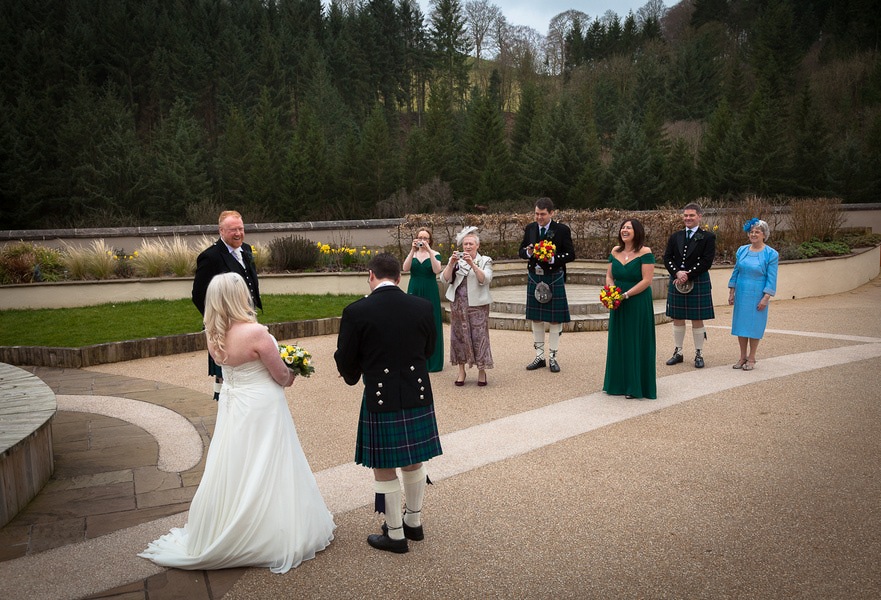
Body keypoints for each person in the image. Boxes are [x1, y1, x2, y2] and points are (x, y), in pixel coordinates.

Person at [140, 272, 334, 572]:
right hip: (262, 406)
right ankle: (268, 533)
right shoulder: (255, 332)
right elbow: (281, 376)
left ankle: (227, 523)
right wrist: (293, 370)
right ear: (240, 296)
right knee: (268, 462)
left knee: (235, 462)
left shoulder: (212, 333)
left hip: (232, 404)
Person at [334, 253, 442, 554]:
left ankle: (395, 535)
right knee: (413, 460)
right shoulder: (422, 306)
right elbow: (429, 349)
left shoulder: (357, 311)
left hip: (381, 398)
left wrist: (352, 373)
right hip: (417, 393)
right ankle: (413, 523)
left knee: (383, 466)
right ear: (398, 277)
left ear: (371, 275)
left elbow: (346, 358)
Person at [192, 210, 262, 399]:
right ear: (221, 231)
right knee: (227, 371)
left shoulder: (246, 249)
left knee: (248, 366)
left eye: (241, 228)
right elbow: (198, 295)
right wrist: (217, 320)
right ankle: (225, 403)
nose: (238, 233)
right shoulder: (211, 257)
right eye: (233, 230)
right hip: (225, 324)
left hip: (248, 318)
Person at [518, 197, 576, 372]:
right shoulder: (530, 228)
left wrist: (552, 258)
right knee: (536, 318)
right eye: (536, 214)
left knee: (554, 319)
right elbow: (521, 251)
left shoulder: (562, 230)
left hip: (553, 276)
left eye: (542, 214)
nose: (539, 217)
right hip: (534, 276)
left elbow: (571, 254)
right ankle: (539, 357)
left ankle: (553, 358)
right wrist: (528, 253)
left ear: (551, 213)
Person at [603, 219, 657, 399]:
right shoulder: (615, 251)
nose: (624, 230)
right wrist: (612, 291)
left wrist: (625, 295)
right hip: (618, 302)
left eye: (629, 228)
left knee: (635, 340)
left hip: (637, 301)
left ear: (637, 232)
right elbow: (609, 276)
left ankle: (635, 386)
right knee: (619, 340)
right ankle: (617, 383)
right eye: (623, 227)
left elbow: (647, 281)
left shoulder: (645, 252)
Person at [663, 202, 716, 368]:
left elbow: (707, 261)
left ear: (699, 216)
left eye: (691, 215)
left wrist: (688, 275)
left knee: (697, 319)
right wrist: (677, 273)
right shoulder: (675, 236)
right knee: (677, 317)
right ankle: (678, 352)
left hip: (697, 280)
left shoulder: (707, 237)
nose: (688, 218)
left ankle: (699, 353)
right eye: (685, 215)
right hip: (677, 280)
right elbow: (667, 257)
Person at [440, 226, 494, 386]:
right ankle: (461, 371)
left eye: (471, 244)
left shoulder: (485, 260)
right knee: (459, 337)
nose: (468, 247)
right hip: (458, 304)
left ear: (477, 245)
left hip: (478, 306)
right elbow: (444, 279)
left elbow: (486, 279)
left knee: (480, 337)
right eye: (465, 244)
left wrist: (473, 265)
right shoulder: (456, 260)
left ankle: (481, 370)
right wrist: (451, 263)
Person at [728, 218, 779, 371]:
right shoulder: (742, 250)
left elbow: (771, 278)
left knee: (755, 326)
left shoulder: (771, 254)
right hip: (742, 292)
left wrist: (766, 297)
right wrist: (732, 291)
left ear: (764, 235)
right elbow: (736, 271)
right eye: (751, 231)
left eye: (757, 232)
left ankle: (752, 357)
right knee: (741, 325)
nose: (754, 234)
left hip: (758, 294)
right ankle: (742, 357)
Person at [402, 228, 444, 372]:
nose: (422, 240)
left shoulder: (435, 254)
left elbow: (437, 270)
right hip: (414, 288)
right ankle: (415, 359)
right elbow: (405, 268)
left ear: (430, 240)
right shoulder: (413, 254)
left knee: (432, 322)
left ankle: (433, 360)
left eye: (425, 238)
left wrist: (429, 251)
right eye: (420, 237)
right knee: (413, 323)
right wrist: (412, 250)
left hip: (430, 290)